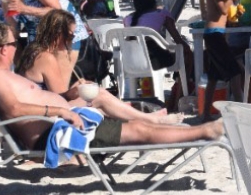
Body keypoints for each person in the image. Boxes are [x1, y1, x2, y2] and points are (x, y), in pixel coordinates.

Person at [0, 20, 224, 153]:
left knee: (107, 102)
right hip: (56, 134)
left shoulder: (0, 75)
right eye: (13, 42)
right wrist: (61, 111)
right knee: (137, 131)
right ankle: (204, 133)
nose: (16, 47)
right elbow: (15, 109)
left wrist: (68, 97)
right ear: (3, 48)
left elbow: (28, 102)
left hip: (63, 123)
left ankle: (174, 125)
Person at [18, 11, 181, 124]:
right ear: (57, 34)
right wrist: (74, 91)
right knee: (100, 97)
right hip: (44, 117)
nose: (72, 40)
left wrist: (76, 87)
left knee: (100, 95)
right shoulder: (45, 58)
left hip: (39, 111)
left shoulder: (34, 51)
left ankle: (141, 117)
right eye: (70, 35)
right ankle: (149, 119)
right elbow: (60, 99)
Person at [203, 0, 244, 113]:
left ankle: (205, 113)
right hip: (214, 34)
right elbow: (222, 9)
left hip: (220, 33)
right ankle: (241, 111)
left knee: (213, 78)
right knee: (235, 72)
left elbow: (228, 12)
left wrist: (236, 9)